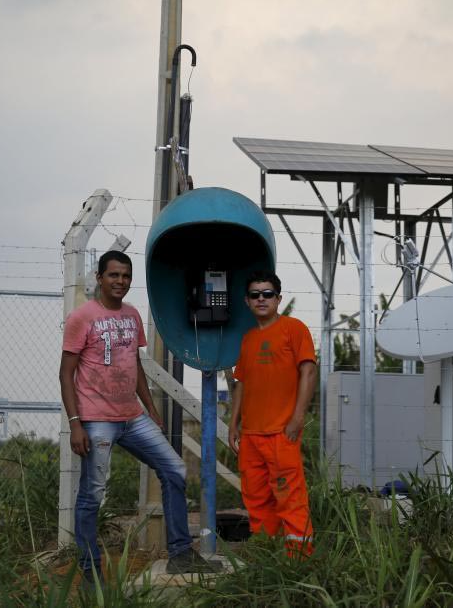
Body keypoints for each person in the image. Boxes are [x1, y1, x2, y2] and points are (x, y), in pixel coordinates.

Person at [60, 250, 219, 587]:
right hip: (96, 420)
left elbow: (134, 366)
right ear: (100, 277)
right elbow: (65, 374)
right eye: (114, 275)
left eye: (126, 276)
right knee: (93, 492)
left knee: (174, 469)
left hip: (132, 417)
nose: (120, 281)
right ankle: (92, 572)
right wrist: (75, 423)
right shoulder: (82, 317)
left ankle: (179, 551)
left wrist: (151, 408)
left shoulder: (132, 317)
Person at [228, 271, 318, 558]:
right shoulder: (248, 340)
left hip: (282, 433)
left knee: (290, 500)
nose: (261, 299)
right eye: (255, 294)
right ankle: (267, 559)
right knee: (257, 502)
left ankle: (299, 561)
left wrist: (297, 417)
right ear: (247, 301)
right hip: (251, 437)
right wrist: (233, 424)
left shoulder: (294, 328)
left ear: (278, 298)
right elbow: (241, 383)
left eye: (267, 294)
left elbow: (309, 370)